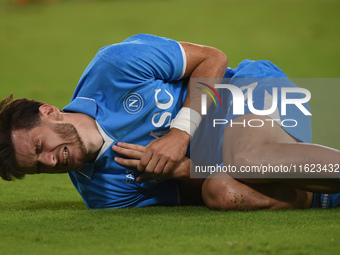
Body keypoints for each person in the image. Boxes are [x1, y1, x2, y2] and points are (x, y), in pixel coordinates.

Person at [0, 34, 339, 210]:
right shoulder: (103, 195)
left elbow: (212, 58)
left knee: (245, 158)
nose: (51, 161)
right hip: (233, 164)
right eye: (39, 167)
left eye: (40, 146)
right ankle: (326, 199)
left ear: (48, 112)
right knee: (222, 193)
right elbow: (197, 192)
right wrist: (183, 170)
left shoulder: (113, 67)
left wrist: (180, 132)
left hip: (246, 94)